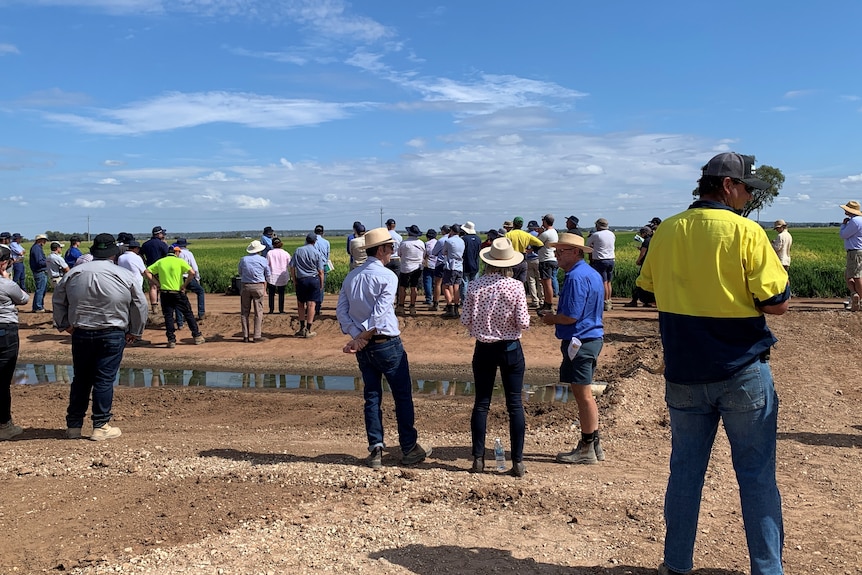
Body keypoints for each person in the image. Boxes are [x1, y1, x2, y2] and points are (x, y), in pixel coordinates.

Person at [637, 151, 790, 575]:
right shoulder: (746, 232)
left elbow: (647, 289)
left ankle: (676, 564)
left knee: (685, 473)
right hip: (742, 372)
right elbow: (775, 304)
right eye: (745, 189)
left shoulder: (666, 231)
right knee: (757, 477)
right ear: (727, 185)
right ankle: (767, 569)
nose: (748, 198)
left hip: (685, 372)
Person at [336, 227, 430, 469]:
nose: (392, 251)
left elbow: (342, 313)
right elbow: (379, 314)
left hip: (365, 348)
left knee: (372, 397)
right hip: (386, 344)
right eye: (390, 247)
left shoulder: (351, 277)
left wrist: (357, 336)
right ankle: (409, 447)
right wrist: (363, 337)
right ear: (380, 250)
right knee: (402, 396)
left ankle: (375, 448)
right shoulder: (388, 276)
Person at [53, 233, 148, 441]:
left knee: (81, 379)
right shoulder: (124, 275)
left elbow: (58, 299)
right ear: (114, 253)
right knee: (104, 379)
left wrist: (64, 325)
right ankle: (101, 425)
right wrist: (136, 330)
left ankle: (74, 426)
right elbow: (140, 304)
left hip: (81, 332)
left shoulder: (74, 273)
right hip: (112, 332)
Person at [460, 237, 530, 477]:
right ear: (509, 263)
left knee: (481, 403)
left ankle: (478, 459)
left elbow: (465, 320)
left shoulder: (475, 286)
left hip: (484, 348)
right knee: (515, 404)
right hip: (510, 348)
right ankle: (518, 462)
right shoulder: (516, 287)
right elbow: (524, 322)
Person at [541, 233, 605, 464]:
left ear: (576, 252)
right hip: (588, 338)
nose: (557, 255)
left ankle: (588, 446)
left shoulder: (576, 277)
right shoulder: (590, 274)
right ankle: (593, 444)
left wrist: (550, 319)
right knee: (583, 394)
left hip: (582, 340)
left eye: (562, 251)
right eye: (557, 251)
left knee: (583, 394)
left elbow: (570, 316)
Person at [144, 246, 205, 348]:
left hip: (165, 293)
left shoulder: (161, 262)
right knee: (188, 314)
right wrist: (184, 285)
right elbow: (192, 273)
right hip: (177, 292)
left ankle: (171, 340)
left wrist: (157, 283)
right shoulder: (179, 261)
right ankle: (197, 336)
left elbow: (147, 271)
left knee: (168, 316)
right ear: (176, 252)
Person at [0, 244, 29, 440]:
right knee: (2, 380)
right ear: (4, 263)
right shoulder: (7, 284)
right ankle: (4, 424)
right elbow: (24, 299)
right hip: (5, 331)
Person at [290, 232, 325, 338]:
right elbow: (321, 271)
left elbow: (292, 267)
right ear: (314, 241)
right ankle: (308, 329)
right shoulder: (317, 252)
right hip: (313, 279)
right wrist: (321, 283)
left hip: (301, 279)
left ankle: (301, 327)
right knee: (311, 305)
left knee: (300, 304)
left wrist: (294, 279)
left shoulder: (298, 250)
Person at [237, 239, 271, 342]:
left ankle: (245, 335)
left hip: (245, 285)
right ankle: (257, 335)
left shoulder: (243, 259)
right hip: (258, 286)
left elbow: (240, 272)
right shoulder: (263, 260)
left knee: (244, 312)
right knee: (258, 312)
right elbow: (268, 274)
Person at [586, 218, 616, 311]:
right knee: (609, 282)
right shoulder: (612, 234)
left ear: (598, 226)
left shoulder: (596, 235)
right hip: (611, 259)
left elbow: (587, 245)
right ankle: (609, 300)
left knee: (603, 282)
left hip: (600, 260)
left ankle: (604, 302)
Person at [396, 225, 425, 316]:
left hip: (406, 267)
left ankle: (401, 306)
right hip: (418, 267)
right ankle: (412, 306)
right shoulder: (421, 243)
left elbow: (399, 254)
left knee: (402, 287)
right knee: (414, 287)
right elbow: (424, 255)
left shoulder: (404, 243)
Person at [624, 227, 656, 308]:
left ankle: (634, 300)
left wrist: (638, 261)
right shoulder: (653, 239)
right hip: (652, 264)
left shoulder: (646, 241)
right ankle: (648, 301)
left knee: (639, 282)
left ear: (645, 233)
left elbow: (643, 253)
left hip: (645, 264)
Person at [839, 200, 862, 311]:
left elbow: (844, 235)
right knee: (854, 275)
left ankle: (857, 296)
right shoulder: (860, 220)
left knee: (853, 276)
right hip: (858, 250)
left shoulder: (854, 222)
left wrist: (843, 225)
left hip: (854, 251)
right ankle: (855, 296)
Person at [506, 216, 543, 285]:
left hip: (512, 259)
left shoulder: (508, 235)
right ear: (522, 225)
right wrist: (531, 250)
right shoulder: (526, 235)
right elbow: (540, 244)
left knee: (511, 282)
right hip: (522, 259)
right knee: (521, 283)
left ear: (513, 224)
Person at [141, 226, 169, 317]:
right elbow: (167, 254)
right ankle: (165, 306)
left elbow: (140, 253)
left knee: (153, 286)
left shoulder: (146, 244)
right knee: (163, 286)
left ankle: (154, 307)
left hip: (150, 268)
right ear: (159, 234)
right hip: (161, 268)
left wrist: (144, 261)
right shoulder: (162, 244)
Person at [440, 224, 465, 318]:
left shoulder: (448, 241)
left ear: (451, 231)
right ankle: (456, 308)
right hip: (459, 266)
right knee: (456, 287)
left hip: (451, 266)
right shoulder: (462, 241)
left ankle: (450, 306)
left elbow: (444, 252)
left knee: (446, 286)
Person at [537, 214, 559, 315]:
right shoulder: (554, 232)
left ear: (545, 222)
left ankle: (549, 305)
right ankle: (547, 303)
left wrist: (540, 233)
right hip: (552, 258)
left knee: (547, 283)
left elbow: (536, 243)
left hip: (546, 259)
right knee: (547, 282)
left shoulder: (546, 234)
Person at [265, 237, 291, 314]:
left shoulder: (269, 253)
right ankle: (281, 310)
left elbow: (267, 264)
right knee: (281, 293)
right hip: (282, 275)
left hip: (272, 275)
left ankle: (271, 310)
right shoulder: (286, 253)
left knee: (271, 294)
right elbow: (289, 265)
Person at [524, 220, 543, 309]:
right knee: (540, 280)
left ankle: (535, 300)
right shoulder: (538, 235)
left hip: (528, 259)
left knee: (531, 281)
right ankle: (542, 299)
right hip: (538, 258)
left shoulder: (526, 235)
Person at [313, 224, 331, 316]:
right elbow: (328, 256)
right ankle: (318, 307)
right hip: (323, 266)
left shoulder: (311, 242)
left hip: (313, 266)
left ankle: (311, 306)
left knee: (312, 287)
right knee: (321, 286)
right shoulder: (326, 242)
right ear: (323, 232)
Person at [29, 233, 49, 312]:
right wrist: (48, 261)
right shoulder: (37, 248)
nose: (45, 242)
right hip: (40, 271)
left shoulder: (36, 248)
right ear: (39, 240)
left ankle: (39, 305)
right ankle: (38, 307)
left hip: (39, 271)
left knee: (41, 289)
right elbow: (39, 262)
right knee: (40, 289)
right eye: (44, 240)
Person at [461, 221, 482, 297]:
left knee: (465, 283)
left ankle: (464, 301)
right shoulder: (478, 239)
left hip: (465, 264)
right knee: (475, 285)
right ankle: (475, 299)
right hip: (475, 264)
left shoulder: (464, 239)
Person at [422, 229, 438, 306]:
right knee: (436, 283)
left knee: (428, 281)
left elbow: (424, 254)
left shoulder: (426, 244)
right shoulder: (438, 243)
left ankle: (429, 299)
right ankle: (436, 298)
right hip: (437, 264)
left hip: (428, 264)